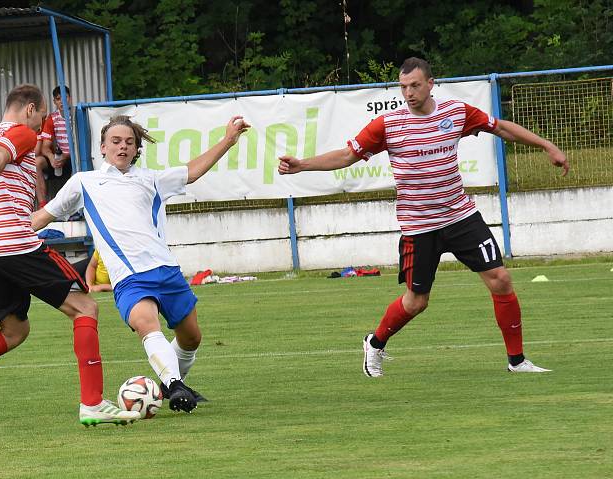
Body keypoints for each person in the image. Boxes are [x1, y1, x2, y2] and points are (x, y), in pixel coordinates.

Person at [278, 57, 569, 377]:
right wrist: (302, 165)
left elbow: (499, 127)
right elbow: (348, 155)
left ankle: (517, 361)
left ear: (431, 84)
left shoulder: (455, 113)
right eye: (403, 87)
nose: (409, 92)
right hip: (419, 227)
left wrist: (547, 146)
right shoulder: (387, 125)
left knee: (500, 279)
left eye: (415, 85)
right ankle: (375, 343)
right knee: (417, 301)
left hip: (461, 216)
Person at [0, 84, 139, 427]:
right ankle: (92, 403)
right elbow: (2, 155)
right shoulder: (18, 132)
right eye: (40, 122)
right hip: (12, 242)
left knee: (15, 331)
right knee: (85, 306)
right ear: (30, 109)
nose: (39, 132)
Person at [32, 115, 250, 413]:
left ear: (136, 149)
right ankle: (174, 385)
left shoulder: (151, 179)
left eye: (129, 142)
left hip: (166, 270)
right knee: (147, 325)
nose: (122, 147)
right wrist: (2, 236)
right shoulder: (84, 182)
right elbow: (43, 216)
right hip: (129, 277)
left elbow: (193, 171)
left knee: (191, 337)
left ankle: (169, 385)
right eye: (116, 141)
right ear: (103, 147)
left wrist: (228, 140)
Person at [35, 86, 73, 208]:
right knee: (36, 162)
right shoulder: (52, 118)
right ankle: (42, 206)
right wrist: (52, 158)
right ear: (54, 102)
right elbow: (44, 147)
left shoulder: (77, 114)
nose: (62, 101)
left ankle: (75, 208)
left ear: (70, 98)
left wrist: (66, 156)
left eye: (65, 97)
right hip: (60, 160)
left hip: (75, 158)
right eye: (58, 99)